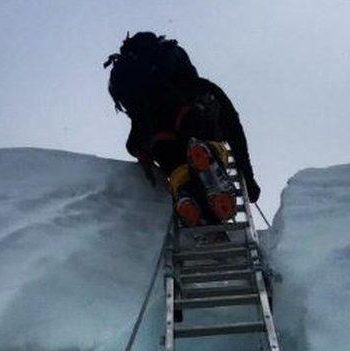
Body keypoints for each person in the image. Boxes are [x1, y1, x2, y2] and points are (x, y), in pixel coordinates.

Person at [104, 32, 261, 227]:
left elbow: (134, 142)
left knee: (177, 167)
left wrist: (140, 150)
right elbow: (233, 128)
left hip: (157, 137)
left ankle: (185, 193)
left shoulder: (143, 102)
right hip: (194, 122)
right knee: (206, 143)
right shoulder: (201, 88)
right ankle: (209, 157)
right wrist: (249, 178)